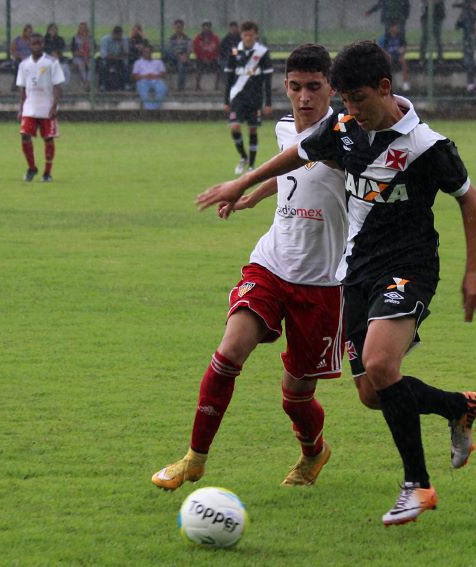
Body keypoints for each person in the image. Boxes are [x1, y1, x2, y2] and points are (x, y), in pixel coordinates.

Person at [196, 40, 476, 527]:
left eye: (359, 100)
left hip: (409, 268)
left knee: (380, 364)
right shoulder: (346, 128)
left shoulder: (427, 146)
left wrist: (474, 270)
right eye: (346, 101)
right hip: (355, 272)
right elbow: (297, 155)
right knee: (373, 392)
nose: (351, 110)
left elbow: (469, 199)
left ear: (385, 88)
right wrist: (241, 185)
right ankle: (458, 407)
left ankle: (417, 486)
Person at [152, 43, 348, 492]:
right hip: (271, 263)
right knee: (228, 354)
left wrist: (242, 181)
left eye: (314, 87)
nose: (304, 97)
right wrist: (253, 197)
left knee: (296, 396)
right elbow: (289, 171)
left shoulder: (345, 136)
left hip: (322, 282)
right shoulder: (283, 127)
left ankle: (314, 452)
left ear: (331, 88)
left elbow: (304, 157)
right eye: (295, 87)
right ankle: (194, 459)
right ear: (284, 86)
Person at [224, 21, 273, 175]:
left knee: (252, 129)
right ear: (241, 35)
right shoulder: (234, 51)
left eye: (251, 35)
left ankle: (251, 165)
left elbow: (267, 80)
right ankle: (243, 157)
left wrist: (268, 102)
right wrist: (226, 100)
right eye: (245, 35)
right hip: (237, 96)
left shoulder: (262, 52)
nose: (248, 38)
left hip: (255, 97)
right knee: (234, 127)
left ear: (256, 35)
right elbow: (229, 77)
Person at [17, 33, 65, 183]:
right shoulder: (24, 64)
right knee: (25, 135)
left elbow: (57, 86)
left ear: (43, 44)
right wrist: (21, 109)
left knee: (48, 139)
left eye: (39, 42)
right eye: (34, 43)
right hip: (30, 107)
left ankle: (47, 173)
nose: (36, 45)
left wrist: (54, 106)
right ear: (29, 45)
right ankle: (32, 168)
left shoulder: (52, 62)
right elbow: (22, 88)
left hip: (46, 107)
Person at [132, 44, 168, 110]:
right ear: (142, 53)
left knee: (162, 88)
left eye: (148, 52)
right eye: (145, 52)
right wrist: (145, 76)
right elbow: (135, 76)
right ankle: (150, 108)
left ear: (151, 52)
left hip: (156, 80)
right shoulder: (138, 62)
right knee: (143, 90)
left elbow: (164, 74)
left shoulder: (158, 62)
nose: (147, 54)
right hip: (143, 80)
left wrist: (155, 75)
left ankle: (153, 108)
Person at [379, 22, 410, 91]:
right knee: (387, 62)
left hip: (398, 55)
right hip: (389, 55)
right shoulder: (386, 37)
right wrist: (387, 54)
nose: (395, 29)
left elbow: (404, 46)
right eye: (394, 27)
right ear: (390, 28)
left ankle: (405, 83)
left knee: (403, 61)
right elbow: (383, 48)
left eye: (396, 27)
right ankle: (386, 83)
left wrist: (403, 49)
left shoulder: (400, 36)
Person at [98, 25, 129, 91]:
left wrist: (122, 49)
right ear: (114, 34)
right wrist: (116, 57)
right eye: (119, 35)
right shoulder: (105, 39)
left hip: (119, 59)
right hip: (107, 59)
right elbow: (104, 55)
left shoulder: (124, 39)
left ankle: (125, 84)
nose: (120, 37)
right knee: (102, 65)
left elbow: (126, 54)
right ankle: (102, 85)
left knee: (125, 65)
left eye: (121, 35)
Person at [193, 20, 221, 91]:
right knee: (198, 69)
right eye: (205, 26)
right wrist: (203, 58)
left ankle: (216, 86)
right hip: (201, 59)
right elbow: (196, 50)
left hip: (212, 59)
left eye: (208, 26)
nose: (206, 28)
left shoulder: (215, 38)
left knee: (219, 70)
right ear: (202, 28)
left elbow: (217, 50)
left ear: (210, 27)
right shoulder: (198, 38)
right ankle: (197, 86)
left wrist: (211, 58)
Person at [165, 19, 192, 90]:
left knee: (181, 67)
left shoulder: (187, 39)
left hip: (183, 58)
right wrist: (179, 56)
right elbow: (170, 49)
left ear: (182, 28)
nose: (178, 29)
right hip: (173, 58)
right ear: (174, 28)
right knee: (166, 50)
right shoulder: (171, 38)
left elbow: (189, 49)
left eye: (180, 27)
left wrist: (186, 55)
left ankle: (180, 87)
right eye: (177, 27)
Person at [419, 0, 445, 66]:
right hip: (426, 15)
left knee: (437, 38)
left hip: (437, 15)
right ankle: (422, 58)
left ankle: (440, 58)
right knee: (425, 37)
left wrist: (433, 2)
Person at [71, 22, 95, 88]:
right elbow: (73, 52)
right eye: (81, 28)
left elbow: (93, 50)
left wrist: (87, 56)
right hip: (78, 57)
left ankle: (87, 81)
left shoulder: (91, 38)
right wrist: (83, 55)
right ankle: (85, 81)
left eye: (84, 28)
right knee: (81, 64)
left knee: (91, 64)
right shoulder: (75, 38)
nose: (83, 30)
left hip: (89, 57)